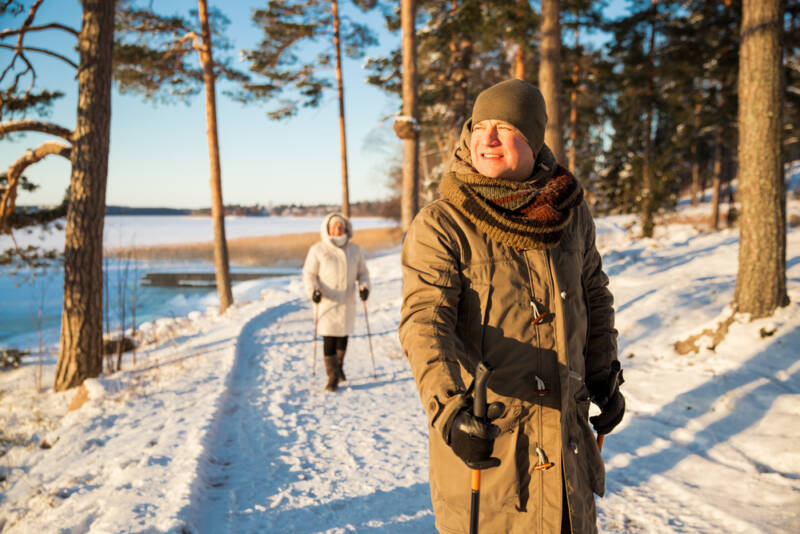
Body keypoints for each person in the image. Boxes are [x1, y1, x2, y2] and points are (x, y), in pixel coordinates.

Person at [399, 79, 625, 534]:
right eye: (480, 126)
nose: (488, 139)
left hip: (566, 450)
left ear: (534, 138)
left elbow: (594, 296)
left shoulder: (569, 211)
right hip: (493, 446)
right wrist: (450, 411)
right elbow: (425, 323)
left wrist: (603, 372)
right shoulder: (444, 223)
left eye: (505, 127)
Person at [303, 213, 370, 392]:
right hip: (327, 301)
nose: (337, 230)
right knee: (329, 337)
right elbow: (309, 274)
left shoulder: (355, 250)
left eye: (340, 227)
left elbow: (363, 273)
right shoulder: (318, 249)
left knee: (343, 336)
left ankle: (339, 366)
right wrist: (314, 291)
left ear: (346, 229)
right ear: (327, 229)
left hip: (347, 301)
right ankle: (332, 376)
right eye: (334, 227)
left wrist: (364, 287)